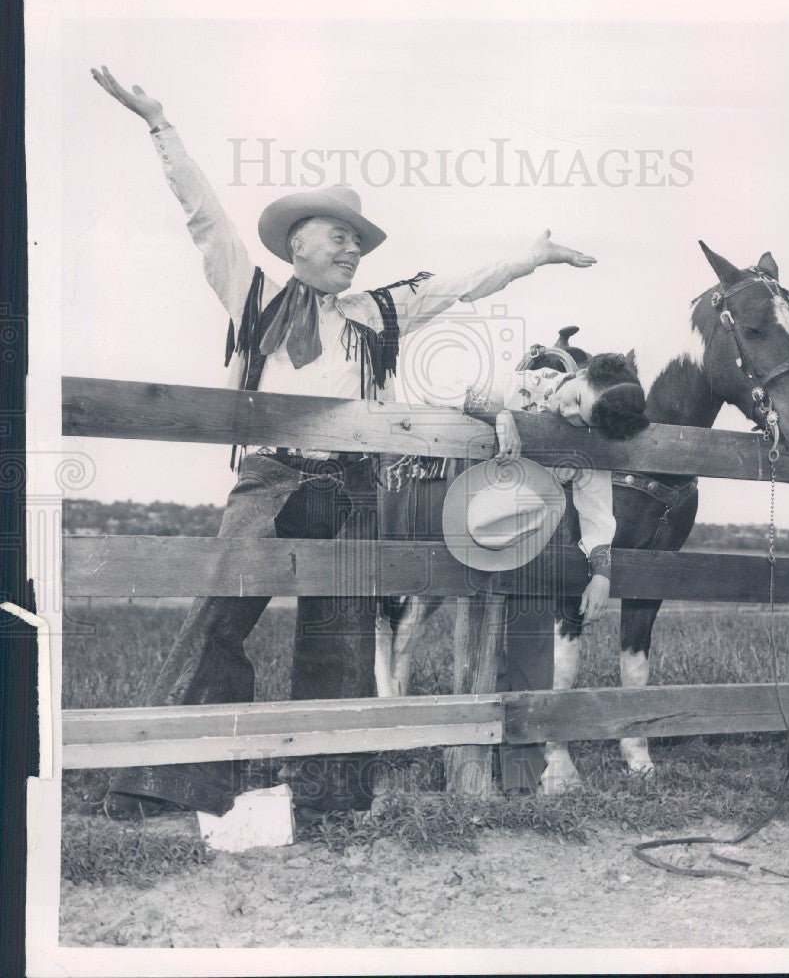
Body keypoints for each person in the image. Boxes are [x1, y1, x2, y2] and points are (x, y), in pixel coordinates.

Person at [90, 66, 598, 823]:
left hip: (352, 488)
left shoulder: (381, 310)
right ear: (299, 244)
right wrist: (160, 125)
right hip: (268, 481)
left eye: (357, 240)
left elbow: (463, 283)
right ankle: (158, 786)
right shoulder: (253, 294)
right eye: (339, 237)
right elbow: (203, 217)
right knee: (221, 616)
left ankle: (329, 799)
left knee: (338, 638)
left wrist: (531, 254)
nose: (352, 249)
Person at [446, 344, 649, 792]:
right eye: (576, 400)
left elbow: (597, 510)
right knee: (476, 651)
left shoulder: (589, 436)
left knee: (532, 656)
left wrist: (601, 572)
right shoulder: (524, 384)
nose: (570, 413)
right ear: (584, 372)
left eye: (584, 419)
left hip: (537, 543)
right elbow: (456, 387)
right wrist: (501, 414)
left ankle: (521, 780)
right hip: (482, 529)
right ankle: (467, 775)